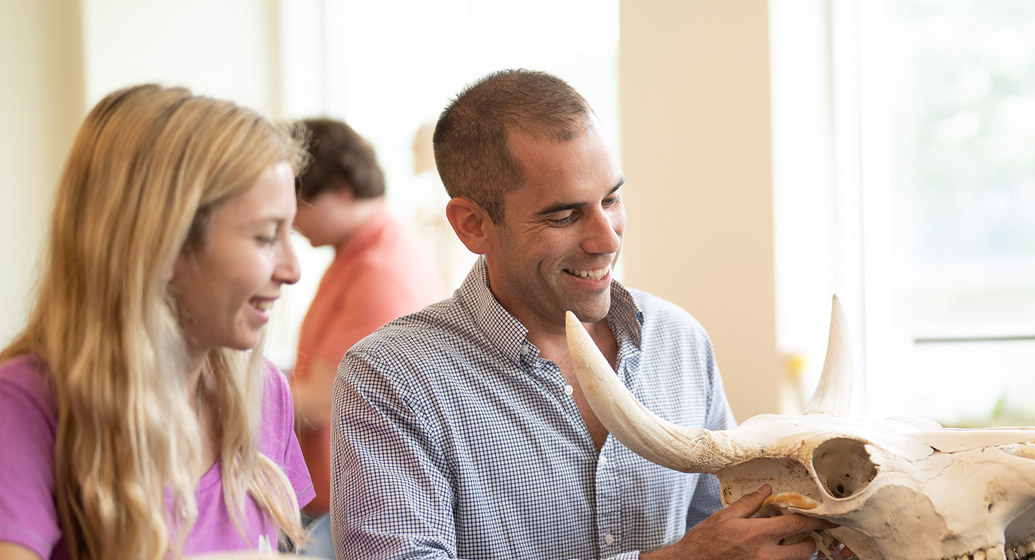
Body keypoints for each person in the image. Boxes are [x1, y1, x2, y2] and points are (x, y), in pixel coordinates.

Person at [330, 69, 833, 559]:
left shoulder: (678, 341)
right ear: (472, 225)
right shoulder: (390, 377)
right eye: (564, 215)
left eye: (611, 199)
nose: (607, 239)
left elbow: (727, 532)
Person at [0, 85, 314, 559]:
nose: (293, 270)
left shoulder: (263, 393)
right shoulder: (25, 406)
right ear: (162, 245)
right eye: (267, 237)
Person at [288, 118, 446, 555]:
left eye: (298, 203)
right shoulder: (362, 252)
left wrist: (229, 396)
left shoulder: (378, 271)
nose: (292, 221)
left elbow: (323, 399)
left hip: (346, 504)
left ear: (340, 189)